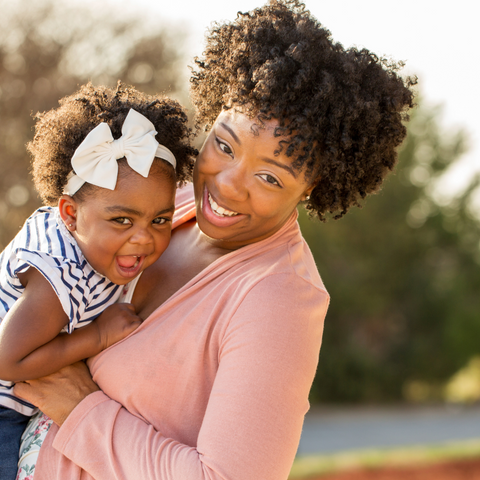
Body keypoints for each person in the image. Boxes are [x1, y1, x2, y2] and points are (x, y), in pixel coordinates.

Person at [15, 1, 416, 479]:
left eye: (270, 178)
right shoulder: (168, 205)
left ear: (312, 189)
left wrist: (81, 408)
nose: (226, 185)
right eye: (224, 145)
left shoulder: (278, 299)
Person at [0, 82, 195, 480]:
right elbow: (7, 360)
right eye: (122, 220)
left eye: (159, 220)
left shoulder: (94, 246)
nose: (144, 237)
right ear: (70, 214)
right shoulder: (58, 274)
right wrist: (99, 338)